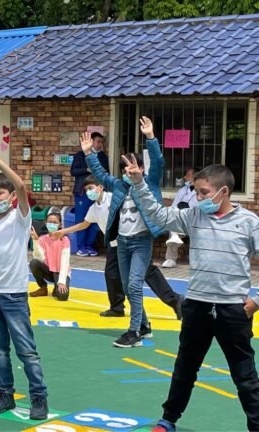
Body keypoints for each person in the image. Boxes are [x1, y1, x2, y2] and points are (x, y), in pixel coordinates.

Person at [126, 162, 259, 432]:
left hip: (233, 310)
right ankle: (168, 420)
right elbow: (158, 215)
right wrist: (139, 182)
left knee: (245, 375)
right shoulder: (194, 216)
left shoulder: (249, 222)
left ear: (224, 191)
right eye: (196, 192)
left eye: (203, 192)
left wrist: (257, 300)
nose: (198, 199)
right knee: (185, 367)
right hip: (197, 306)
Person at [0, 148, 48, 420]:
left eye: (0, 193)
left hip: (14, 296)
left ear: (12, 197)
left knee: (27, 351)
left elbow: (22, 184)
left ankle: (39, 397)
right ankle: (5, 394)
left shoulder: (20, 218)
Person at [82, 118, 168, 348]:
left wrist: (150, 137)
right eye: (125, 169)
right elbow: (100, 175)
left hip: (141, 242)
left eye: (133, 168)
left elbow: (158, 162)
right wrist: (89, 153)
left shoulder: (149, 184)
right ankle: (145, 325)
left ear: (141, 169)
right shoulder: (119, 186)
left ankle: (134, 332)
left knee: (134, 284)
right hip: (122, 242)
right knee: (127, 284)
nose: (129, 172)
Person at [52, 176, 183, 319]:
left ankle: (176, 301)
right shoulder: (94, 209)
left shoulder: (114, 198)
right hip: (114, 245)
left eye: (91, 188)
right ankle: (117, 307)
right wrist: (62, 232)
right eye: (87, 190)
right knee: (111, 274)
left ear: (100, 187)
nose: (89, 192)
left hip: (130, 241)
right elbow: (84, 224)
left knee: (147, 272)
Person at [70, 131, 109, 256]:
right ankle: (81, 246)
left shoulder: (103, 157)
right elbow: (73, 171)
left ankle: (89, 245)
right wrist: (87, 169)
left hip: (97, 192)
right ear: (91, 142)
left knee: (96, 220)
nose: (99, 145)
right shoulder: (80, 155)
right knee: (82, 219)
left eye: (101, 142)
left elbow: (106, 173)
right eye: (97, 142)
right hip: (82, 192)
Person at [29, 211, 70, 301]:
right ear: (45, 223)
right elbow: (38, 257)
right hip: (48, 270)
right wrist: (35, 240)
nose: (51, 224)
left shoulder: (65, 239)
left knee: (62, 296)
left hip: (60, 272)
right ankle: (43, 288)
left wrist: (61, 282)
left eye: (55, 222)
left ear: (60, 224)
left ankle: (57, 286)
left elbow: (65, 262)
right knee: (34, 263)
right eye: (49, 222)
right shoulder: (42, 239)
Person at [162, 167, 198, 268]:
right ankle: (171, 259)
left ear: (195, 177)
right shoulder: (182, 190)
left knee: (176, 227)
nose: (184, 177)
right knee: (173, 222)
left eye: (187, 175)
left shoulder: (201, 191)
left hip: (193, 220)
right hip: (179, 218)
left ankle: (175, 236)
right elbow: (174, 205)